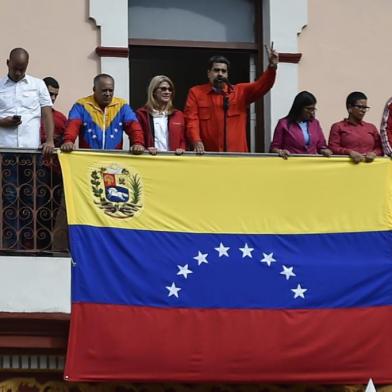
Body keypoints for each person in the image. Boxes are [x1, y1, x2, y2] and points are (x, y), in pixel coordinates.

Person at [184, 43, 278, 153]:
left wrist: (272, 67)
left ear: (227, 74)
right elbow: (191, 120)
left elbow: (261, 86)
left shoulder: (239, 92)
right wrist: (196, 140)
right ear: (209, 73)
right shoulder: (196, 93)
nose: (220, 74)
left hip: (236, 157)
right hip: (207, 155)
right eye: (216, 70)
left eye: (223, 71)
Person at [61, 73, 144, 153]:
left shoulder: (122, 106)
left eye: (111, 90)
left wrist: (138, 143)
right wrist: (68, 140)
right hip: (88, 159)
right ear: (94, 89)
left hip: (113, 161)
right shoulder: (81, 105)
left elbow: (134, 126)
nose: (108, 94)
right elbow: (73, 124)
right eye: (104, 90)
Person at [0, 48, 54, 153]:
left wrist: (49, 140)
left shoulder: (38, 85)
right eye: (15, 68)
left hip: (31, 150)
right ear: (8, 63)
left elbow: (47, 114)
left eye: (22, 69)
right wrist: (2, 122)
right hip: (4, 149)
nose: (18, 73)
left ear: (27, 65)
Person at [270, 91, 332, 159]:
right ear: (298, 108)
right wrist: (280, 151)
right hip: (291, 164)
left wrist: (324, 150)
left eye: (313, 109)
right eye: (308, 109)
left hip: (311, 164)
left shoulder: (315, 123)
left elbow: (321, 145)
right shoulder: (283, 124)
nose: (312, 112)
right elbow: (274, 148)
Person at [328, 91, 382, 163]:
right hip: (346, 168)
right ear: (350, 107)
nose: (363, 110)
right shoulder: (338, 126)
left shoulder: (371, 127)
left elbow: (380, 148)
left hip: (370, 168)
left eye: (365, 108)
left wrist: (374, 153)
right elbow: (333, 148)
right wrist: (349, 152)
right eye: (360, 107)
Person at [136, 75, 185, 154]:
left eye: (170, 89)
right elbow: (137, 138)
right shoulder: (142, 114)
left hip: (174, 159)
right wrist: (145, 149)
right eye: (163, 89)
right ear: (154, 91)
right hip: (151, 159)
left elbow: (183, 139)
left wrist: (182, 148)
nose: (167, 92)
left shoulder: (178, 115)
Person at [40, 76, 66, 147]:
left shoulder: (61, 118)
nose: (53, 98)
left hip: (52, 157)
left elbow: (66, 142)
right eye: (50, 94)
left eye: (56, 95)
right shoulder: (28, 115)